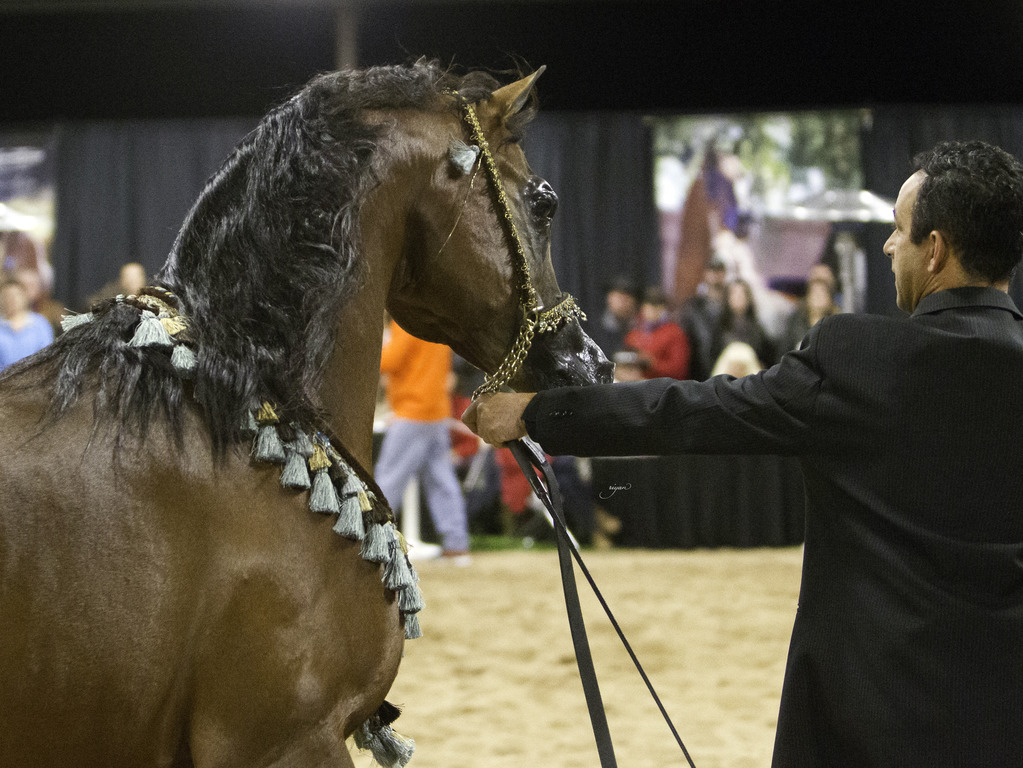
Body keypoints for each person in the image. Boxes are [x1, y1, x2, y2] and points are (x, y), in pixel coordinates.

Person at [462, 140, 1023, 766]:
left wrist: (537, 413)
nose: (890, 246)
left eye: (898, 230)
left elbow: (693, 413)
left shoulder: (857, 358)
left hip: (866, 725)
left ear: (936, 249)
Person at [375, 318, 470, 563]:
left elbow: (389, 360)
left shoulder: (406, 321)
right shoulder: (435, 320)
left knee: (388, 478)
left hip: (412, 410)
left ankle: (372, 538)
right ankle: (456, 544)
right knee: (441, 478)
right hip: (437, 408)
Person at [623, 286, 691, 379]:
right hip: (635, 382)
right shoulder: (634, 333)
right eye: (648, 306)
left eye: (657, 306)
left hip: (662, 384)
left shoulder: (674, 333)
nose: (652, 311)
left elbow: (679, 370)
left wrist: (652, 363)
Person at [709, 278, 776, 369]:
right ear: (727, 297)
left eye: (742, 294)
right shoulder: (718, 326)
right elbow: (712, 358)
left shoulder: (758, 328)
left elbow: (767, 358)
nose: (738, 297)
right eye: (734, 293)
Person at [0, 276, 54, 370]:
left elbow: (47, 356)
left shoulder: (40, 324)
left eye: (16, 295)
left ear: (24, 296)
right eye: (7, 296)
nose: (11, 300)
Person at [780, 272, 842, 352]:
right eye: (815, 294)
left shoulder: (837, 325)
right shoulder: (795, 322)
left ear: (830, 299)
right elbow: (784, 351)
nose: (818, 297)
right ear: (808, 298)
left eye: (823, 294)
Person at [587, 275, 640, 359]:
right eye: (619, 297)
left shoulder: (643, 328)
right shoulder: (593, 330)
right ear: (609, 298)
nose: (623, 302)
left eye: (627, 297)